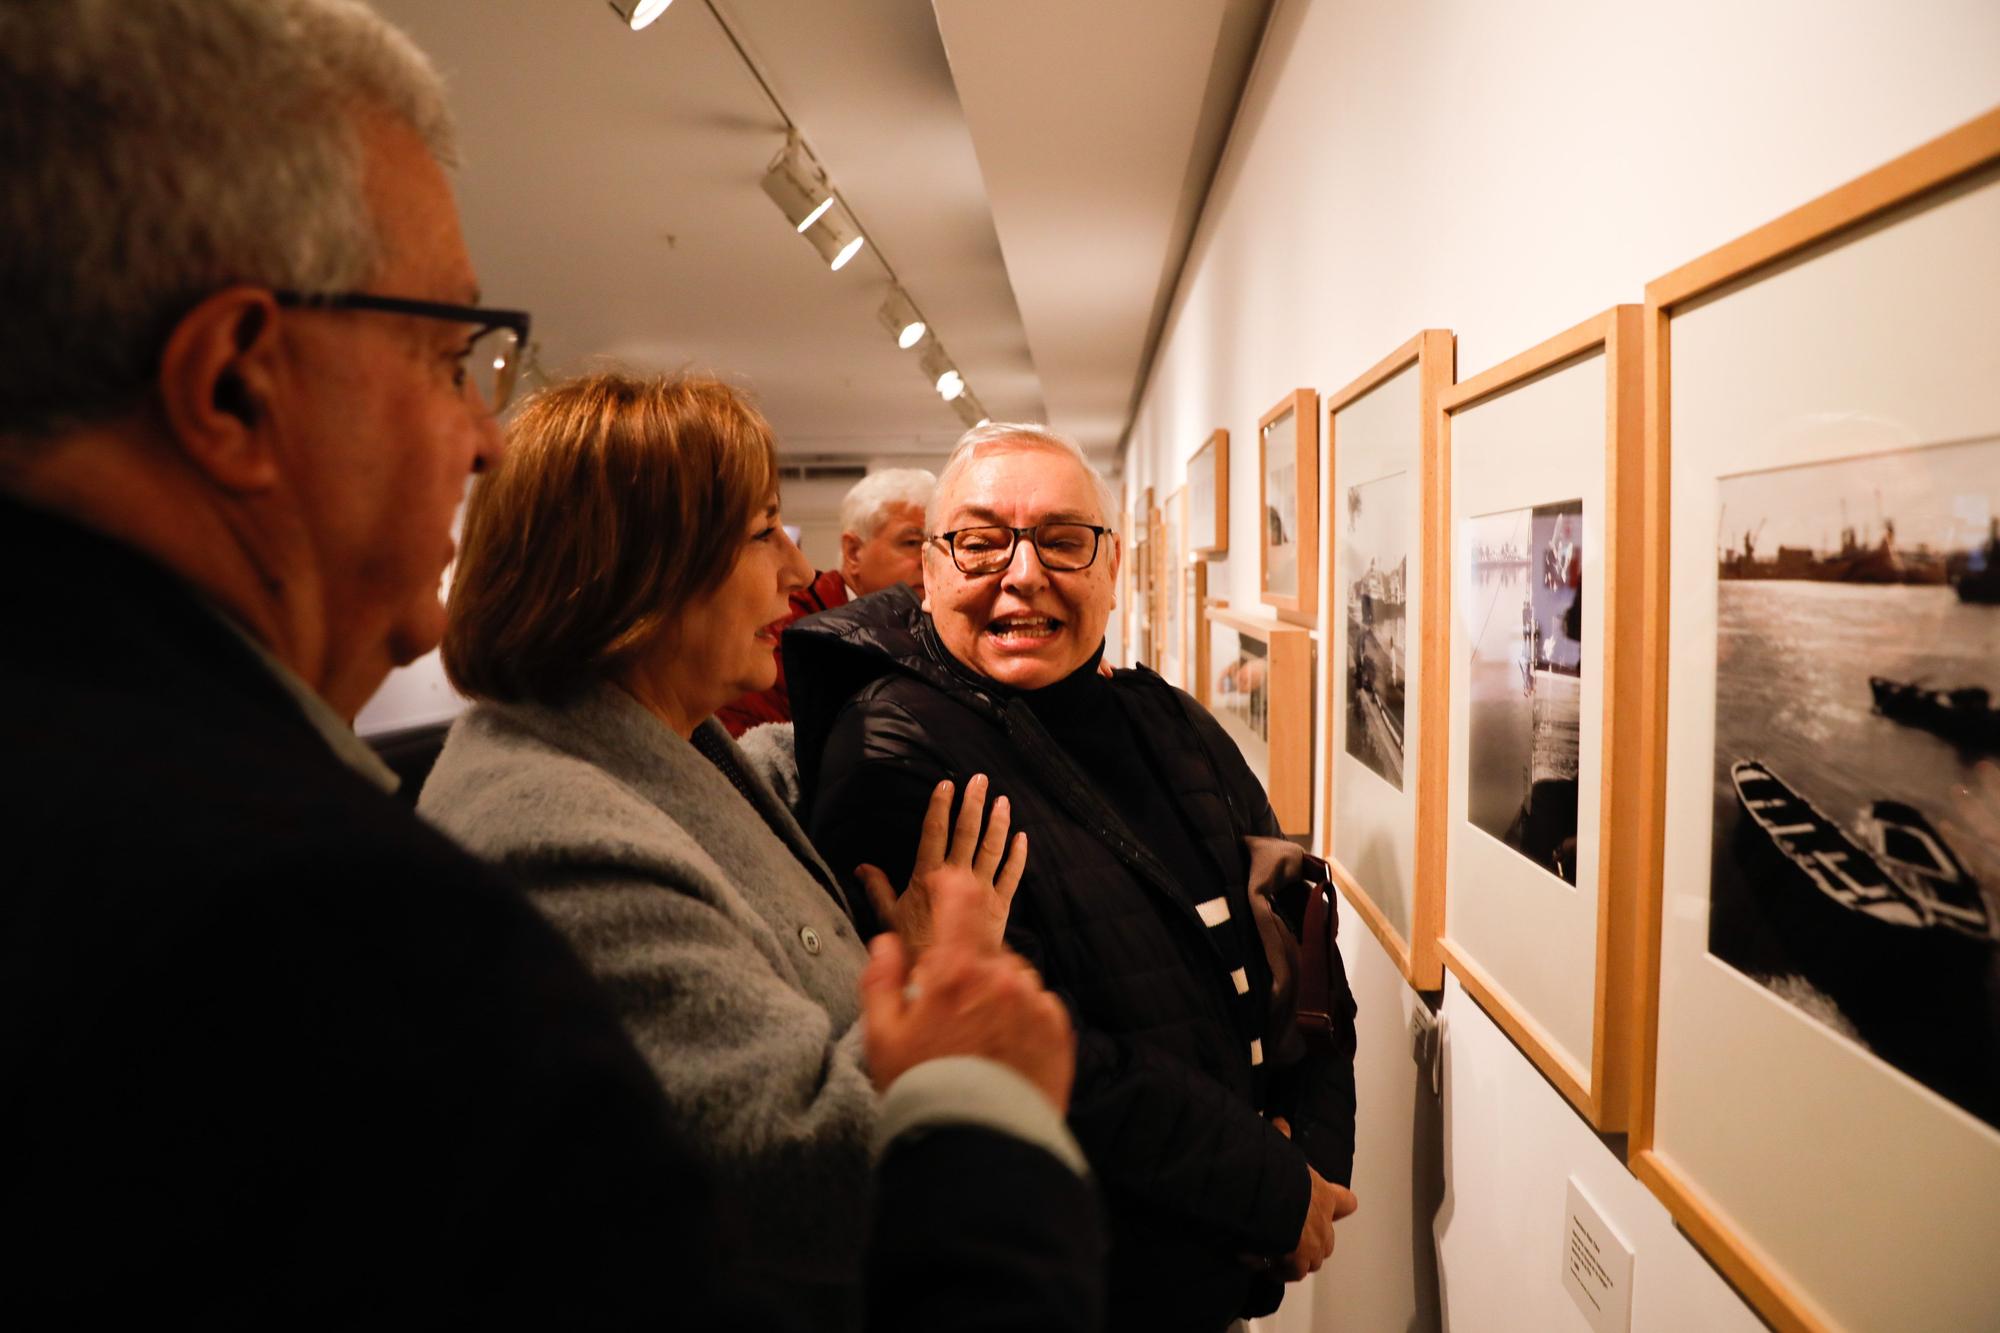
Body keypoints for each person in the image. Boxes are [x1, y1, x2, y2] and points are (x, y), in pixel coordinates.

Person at [0, 4, 1097, 1326]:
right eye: (446, 354)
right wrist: (978, 1105)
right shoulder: (326, 922)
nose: (477, 440)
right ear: (237, 388)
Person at [418, 373, 1094, 1329]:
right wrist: (944, 982)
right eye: (763, 529)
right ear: (647, 567)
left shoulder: (646, 734)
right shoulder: (554, 834)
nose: (792, 563)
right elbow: (795, 1172)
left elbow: (769, 770)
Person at [787, 423, 1361, 1333]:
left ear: (1111, 563)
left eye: (1061, 539)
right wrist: (1265, 1186)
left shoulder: (1168, 719)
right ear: (930, 569)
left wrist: (1314, 1165)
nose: (1023, 574)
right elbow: (1023, 1039)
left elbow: (1302, 945)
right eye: (981, 542)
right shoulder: (897, 753)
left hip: (1212, 1270)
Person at [717, 466, 933, 735]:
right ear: (853, 552)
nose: (929, 559)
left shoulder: (928, 626)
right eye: (912, 542)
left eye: (936, 544)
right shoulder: (791, 623)